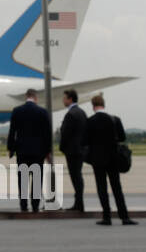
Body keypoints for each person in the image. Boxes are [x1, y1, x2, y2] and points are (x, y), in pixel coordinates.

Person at [81, 94, 137, 225]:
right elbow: (122, 137)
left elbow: (84, 141)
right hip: (113, 158)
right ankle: (124, 216)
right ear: (104, 104)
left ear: (93, 106)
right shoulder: (115, 119)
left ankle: (107, 216)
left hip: (97, 159)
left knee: (102, 188)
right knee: (117, 187)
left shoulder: (90, 121)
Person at [7, 88, 52, 212]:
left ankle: (23, 204)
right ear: (35, 97)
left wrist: (11, 148)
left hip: (22, 151)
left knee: (23, 178)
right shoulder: (42, 112)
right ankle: (35, 205)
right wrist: (48, 151)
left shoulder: (17, 111)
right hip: (38, 152)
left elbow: (12, 132)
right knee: (37, 178)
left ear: (26, 96)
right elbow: (47, 134)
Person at [57, 88, 87, 212]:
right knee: (78, 176)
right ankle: (79, 202)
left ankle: (78, 204)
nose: (63, 101)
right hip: (80, 150)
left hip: (72, 151)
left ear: (70, 99)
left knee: (75, 177)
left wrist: (62, 148)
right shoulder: (82, 112)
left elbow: (65, 133)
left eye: (64, 98)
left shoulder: (70, 114)